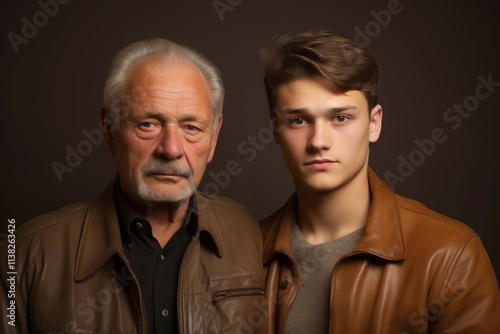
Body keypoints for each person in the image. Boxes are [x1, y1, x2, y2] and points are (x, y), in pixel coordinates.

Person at [0, 38, 266, 334]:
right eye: (148, 124)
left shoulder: (248, 232)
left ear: (213, 138)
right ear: (109, 130)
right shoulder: (22, 255)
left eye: (191, 127)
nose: (171, 149)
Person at [258, 30, 500, 333]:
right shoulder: (244, 252)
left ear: (374, 124)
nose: (318, 141)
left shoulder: (451, 255)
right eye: (299, 120)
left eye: (341, 118)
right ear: (275, 128)